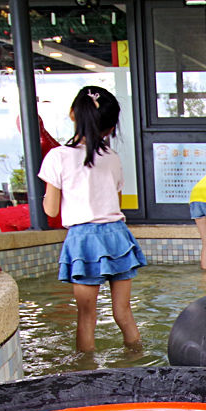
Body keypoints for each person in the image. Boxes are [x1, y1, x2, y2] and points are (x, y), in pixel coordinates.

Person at [39, 86, 146, 352]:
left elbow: (51, 210)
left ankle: (86, 375)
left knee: (86, 317)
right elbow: (116, 203)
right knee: (123, 312)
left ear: (73, 114)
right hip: (117, 235)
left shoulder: (58, 157)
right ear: (110, 129)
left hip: (84, 239)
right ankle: (137, 357)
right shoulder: (112, 157)